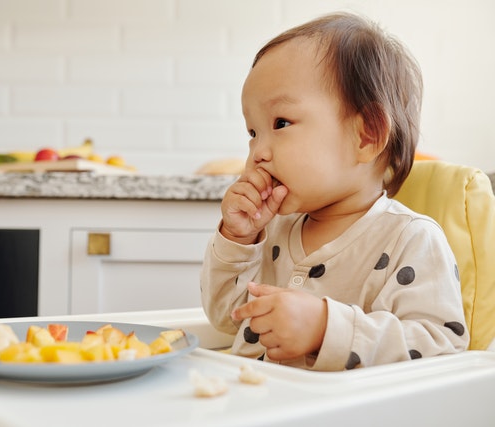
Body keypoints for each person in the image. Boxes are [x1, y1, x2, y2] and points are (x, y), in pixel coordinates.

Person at [200, 12, 468, 371]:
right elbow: (225, 318)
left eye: (280, 123)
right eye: (252, 133)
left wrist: (328, 329)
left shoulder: (411, 240)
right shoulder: (274, 232)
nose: (257, 152)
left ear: (367, 135)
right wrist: (239, 240)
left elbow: (442, 345)